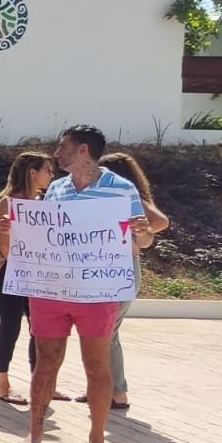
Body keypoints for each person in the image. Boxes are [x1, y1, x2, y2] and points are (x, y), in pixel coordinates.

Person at [14, 125, 153, 443]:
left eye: (63, 147)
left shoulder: (121, 189)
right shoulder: (57, 189)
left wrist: (142, 233)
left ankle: (96, 439)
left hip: (96, 290)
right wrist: (17, 229)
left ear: (84, 150)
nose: (57, 154)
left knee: (96, 366)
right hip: (52, 290)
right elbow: (48, 235)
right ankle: (34, 433)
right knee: (45, 362)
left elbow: (145, 240)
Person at [85, 152, 169, 410]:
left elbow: (160, 222)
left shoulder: (124, 196)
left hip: (120, 272)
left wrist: (134, 237)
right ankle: (106, 388)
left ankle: (117, 392)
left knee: (106, 333)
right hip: (113, 270)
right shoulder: (112, 197)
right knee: (108, 333)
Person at [0, 151, 55, 405]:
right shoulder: (8, 202)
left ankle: (39, 383)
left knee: (38, 328)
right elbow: (3, 245)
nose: (52, 175)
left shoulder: (45, 202)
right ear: (32, 172)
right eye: (48, 170)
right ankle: (3, 384)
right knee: (11, 323)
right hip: (9, 272)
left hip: (37, 273)